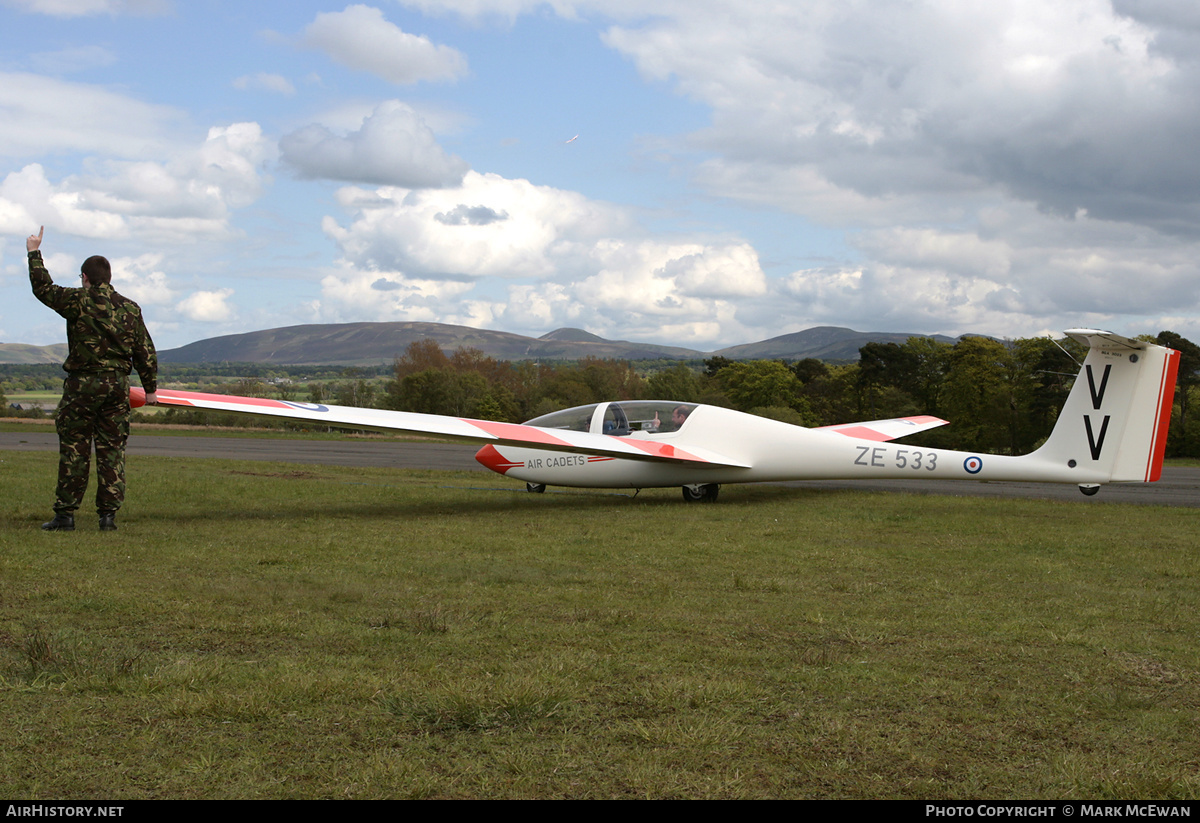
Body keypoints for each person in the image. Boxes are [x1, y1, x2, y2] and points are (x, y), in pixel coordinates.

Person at [27, 227, 158, 532]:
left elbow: (43, 289)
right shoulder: (129, 308)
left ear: (85, 277)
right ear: (108, 278)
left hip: (82, 386)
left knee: (75, 447)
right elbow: (145, 351)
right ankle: (108, 516)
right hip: (116, 387)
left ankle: (66, 515)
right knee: (112, 449)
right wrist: (150, 388)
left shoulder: (78, 301)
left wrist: (34, 253)